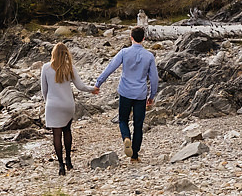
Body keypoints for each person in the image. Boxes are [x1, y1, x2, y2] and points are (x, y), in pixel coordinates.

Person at [93, 26, 159, 163]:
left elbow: (110, 68)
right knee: (138, 125)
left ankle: (126, 138)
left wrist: (98, 84)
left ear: (131, 37)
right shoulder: (149, 56)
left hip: (125, 92)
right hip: (140, 94)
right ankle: (134, 156)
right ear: (144, 39)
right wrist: (152, 96)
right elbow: (154, 79)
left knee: (123, 120)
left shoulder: (124, 52)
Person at [40, 42, 98, 175]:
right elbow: (80, 86)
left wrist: (48, 103)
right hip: (68, 105)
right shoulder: (69, 67)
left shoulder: (46, 67)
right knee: (67, 131)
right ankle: (68, 160)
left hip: (53, 105)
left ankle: (60, 165)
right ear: (66, 54)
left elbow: (44, 90)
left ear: (53, 53)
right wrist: (92, 89)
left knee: (56, 135)